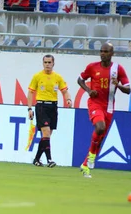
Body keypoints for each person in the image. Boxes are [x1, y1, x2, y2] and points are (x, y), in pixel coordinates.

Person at [77, 43, 130, 178]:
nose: (103, 54)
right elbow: (80, 79)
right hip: (95, 104)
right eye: (101, 51)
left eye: (106, 51)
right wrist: (89, 91)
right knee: (100, 127)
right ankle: (92, 157)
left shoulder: (118, 69)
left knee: (100, 137)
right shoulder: (92, 67)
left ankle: (85, 164)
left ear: (112, 53)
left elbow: (128, 89)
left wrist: (117, 84)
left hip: (109, 107)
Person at [27, 54, 72, 167]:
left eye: (49, 62)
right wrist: (29, 108)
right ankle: (49, 159)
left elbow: (65, 91)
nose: (47, 64)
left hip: (53, 106)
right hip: (41, 106)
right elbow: (31, 92)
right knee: (46, 132)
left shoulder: (58, 77)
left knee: (47, 135)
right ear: (43, 64)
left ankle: (36, 159)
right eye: (45, 62)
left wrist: (68, 100)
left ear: (53, 64)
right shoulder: (37, 76)